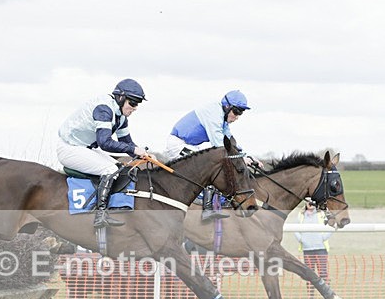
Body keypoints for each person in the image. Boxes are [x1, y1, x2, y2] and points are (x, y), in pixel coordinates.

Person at [57, 78, 150, 229]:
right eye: (132, 103)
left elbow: (126, 142)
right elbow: (104, 142)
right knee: (110, 170)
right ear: (120, 98)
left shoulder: (120, 116)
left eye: (137, 104)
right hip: (69, 148)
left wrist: (142, 155)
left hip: (85, 147)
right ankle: (100, 215)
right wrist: (132, 150)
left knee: (119, 167)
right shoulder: (104, 110)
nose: (134, 108)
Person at [164, 90, 252, 222]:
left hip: (192, 145)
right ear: (227, 107)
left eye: (241, 113)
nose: (237, 116)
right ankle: (207, 208)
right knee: (211, 166)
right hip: (178, 144)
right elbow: (219, 144)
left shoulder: (222, 117)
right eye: (237, 112)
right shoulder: (214, 114)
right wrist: (240, 159)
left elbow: (230, 141)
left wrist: (246, 156)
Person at [294, 199, 331, 299]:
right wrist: (302, 240)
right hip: (307, 249)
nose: (310, 204)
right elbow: (295, 230)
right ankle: (311, 297)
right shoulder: (301, 215)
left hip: (321, 249)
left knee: (323, 273)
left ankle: (327, 296)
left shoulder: (321, 214)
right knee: (310, 274)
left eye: (312, 202)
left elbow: (330, 227)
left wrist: (322, 238)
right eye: (308, 202)